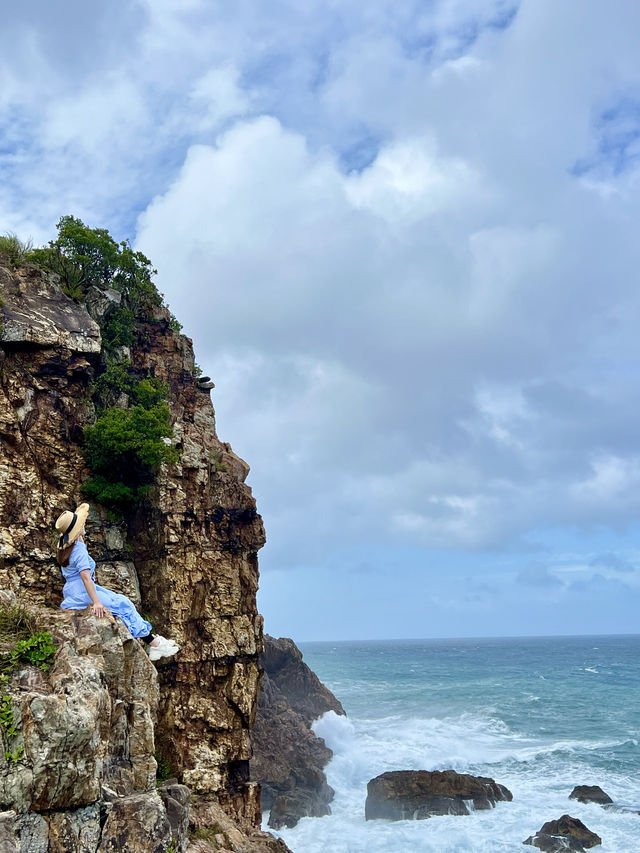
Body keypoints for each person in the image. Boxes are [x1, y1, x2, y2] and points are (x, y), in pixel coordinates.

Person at [55, 502, 179, 662]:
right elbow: (86, 578)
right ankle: (154, 644)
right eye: (82, 524)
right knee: (123, 603)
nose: (84, 524)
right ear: (78, 529)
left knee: (118, 599)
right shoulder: (78, 550)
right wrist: (97, 602)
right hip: (83, 592)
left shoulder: (68, 548)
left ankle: (153, 641)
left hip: (71, 591)